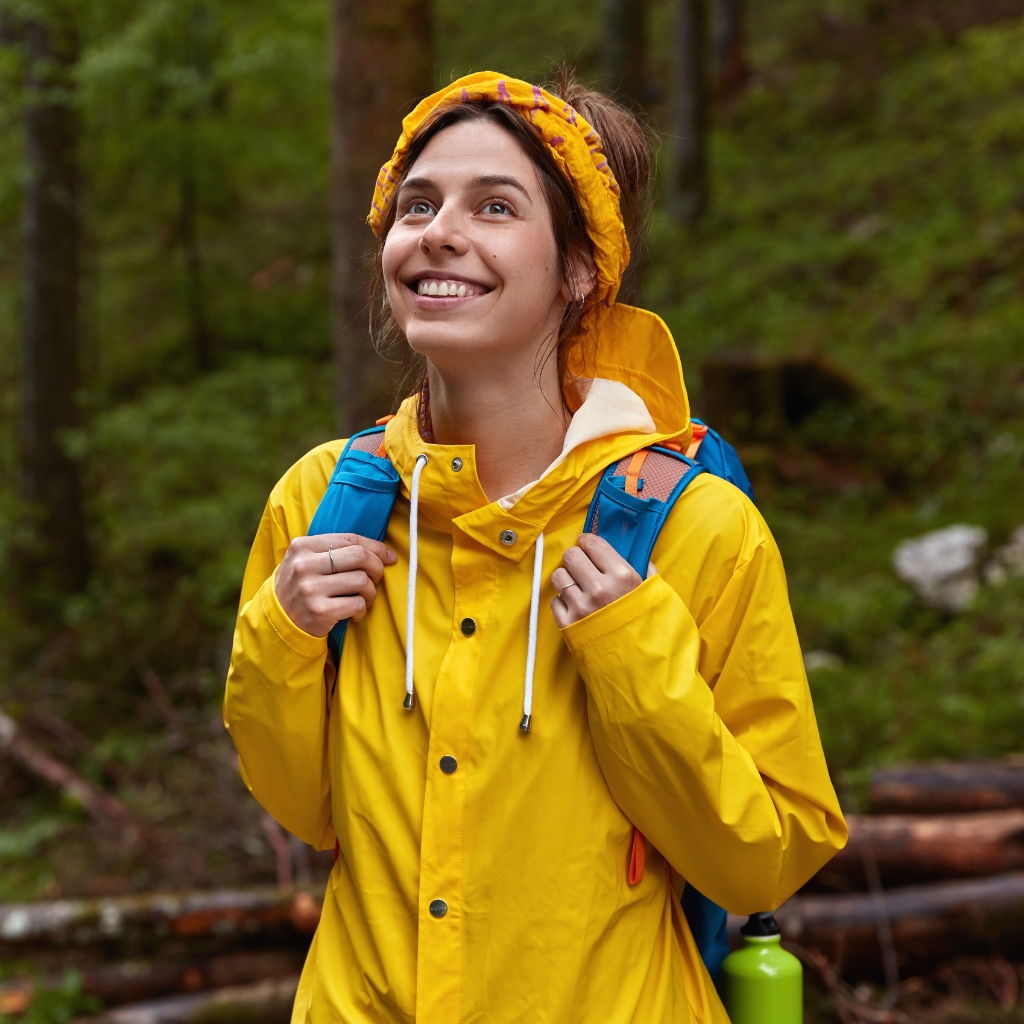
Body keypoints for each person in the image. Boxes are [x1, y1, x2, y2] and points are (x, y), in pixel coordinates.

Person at [224, 71, 847, 1024]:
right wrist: (285, 633)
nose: (437, 230)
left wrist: (632, 654)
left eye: (495, 206)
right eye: (417, 204)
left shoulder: (693, 527)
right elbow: (304, 808)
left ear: (579, 270)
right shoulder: (323, 502)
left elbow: (762, 860)